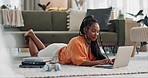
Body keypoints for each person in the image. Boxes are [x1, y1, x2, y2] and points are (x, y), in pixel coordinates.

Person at [24, 15, 113, 66]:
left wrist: (109, 60)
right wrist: (100, 62)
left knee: (43, 50)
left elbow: (95, 58)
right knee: (35, 55)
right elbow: (80, 62)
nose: (96, 34)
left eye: (98, 32)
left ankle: (32, 35)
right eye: (93, 31)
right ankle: (31, 36)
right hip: (55, 53)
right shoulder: (76, 42)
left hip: (64, 48)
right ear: (85, 30)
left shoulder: (92, 44)